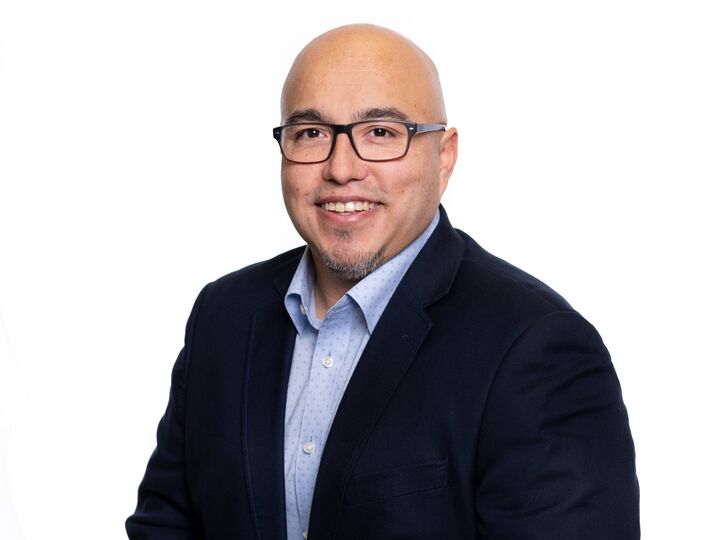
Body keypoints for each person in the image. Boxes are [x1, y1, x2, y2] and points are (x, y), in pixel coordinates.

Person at [126, 24, 639, 539]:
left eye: (381, 133)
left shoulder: (536, 346)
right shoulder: (225, 316)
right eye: (311, 133)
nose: (341, 168)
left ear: (444, 156)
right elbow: (165, 524)